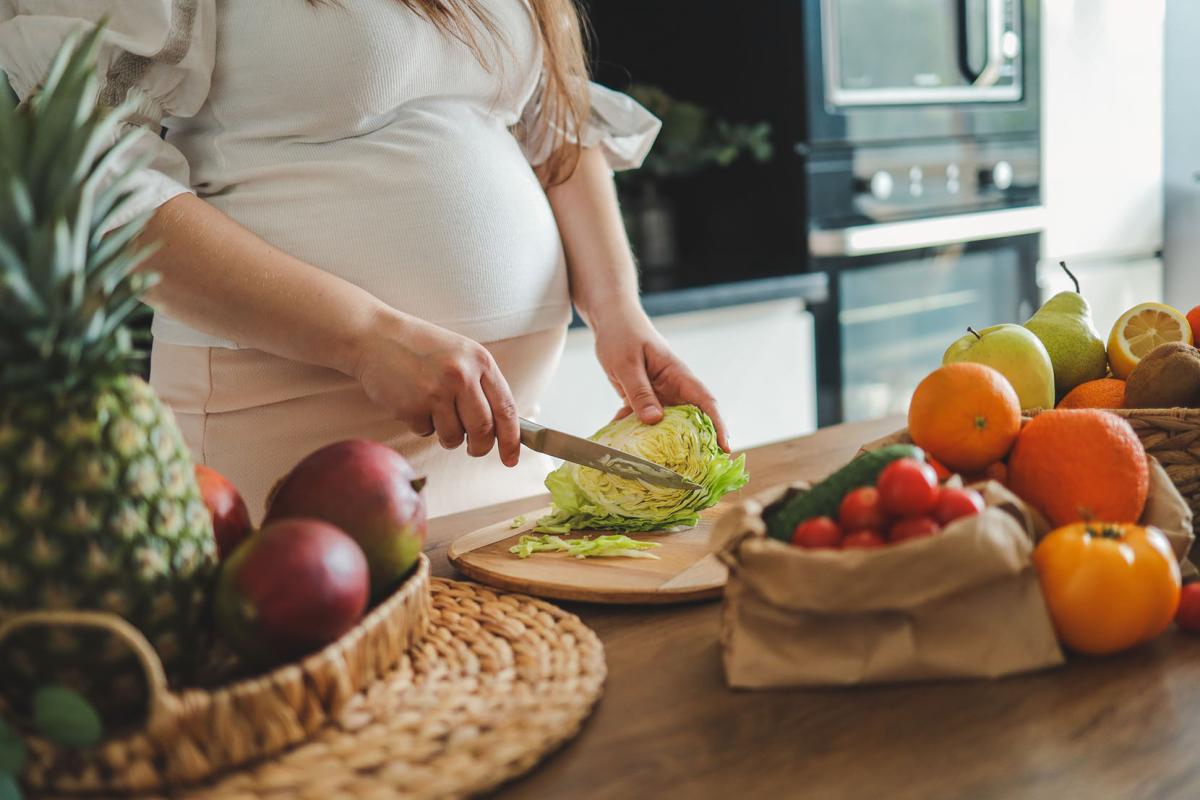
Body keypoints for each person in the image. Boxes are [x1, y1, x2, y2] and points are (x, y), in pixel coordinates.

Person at [0, 0, 728, 519]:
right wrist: (366, 336)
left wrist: (619, 313)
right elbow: (93, 172)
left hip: (504, 444)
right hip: (292, 450)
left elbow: (558, 131)